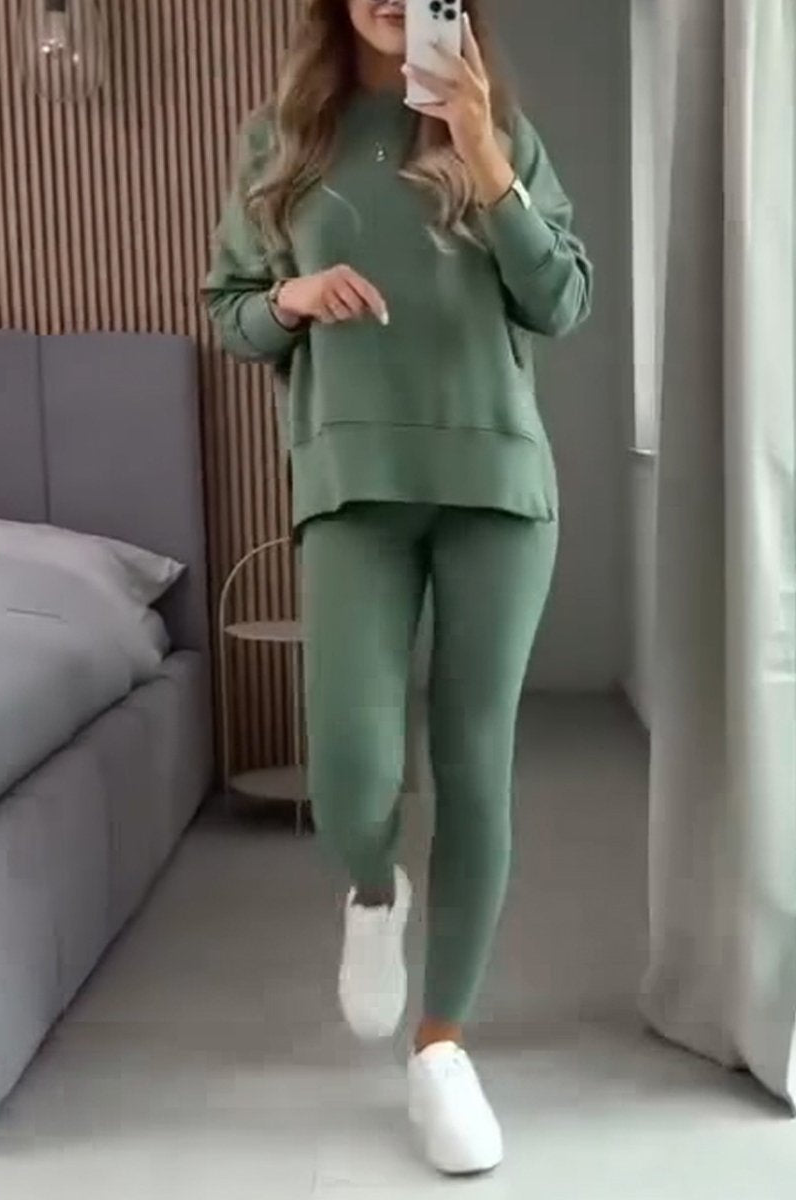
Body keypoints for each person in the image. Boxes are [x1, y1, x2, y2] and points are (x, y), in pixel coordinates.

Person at [203, 0, 592, 1176]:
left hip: (496, 487)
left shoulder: (495, 130)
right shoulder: (282, 134)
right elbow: (230, 312)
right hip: (354, 487)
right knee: (351, 770)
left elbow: (560, 301)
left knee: (473, 769)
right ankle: (373, 890)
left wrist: (483, 159)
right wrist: (292, 297)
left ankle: (440, 1047)